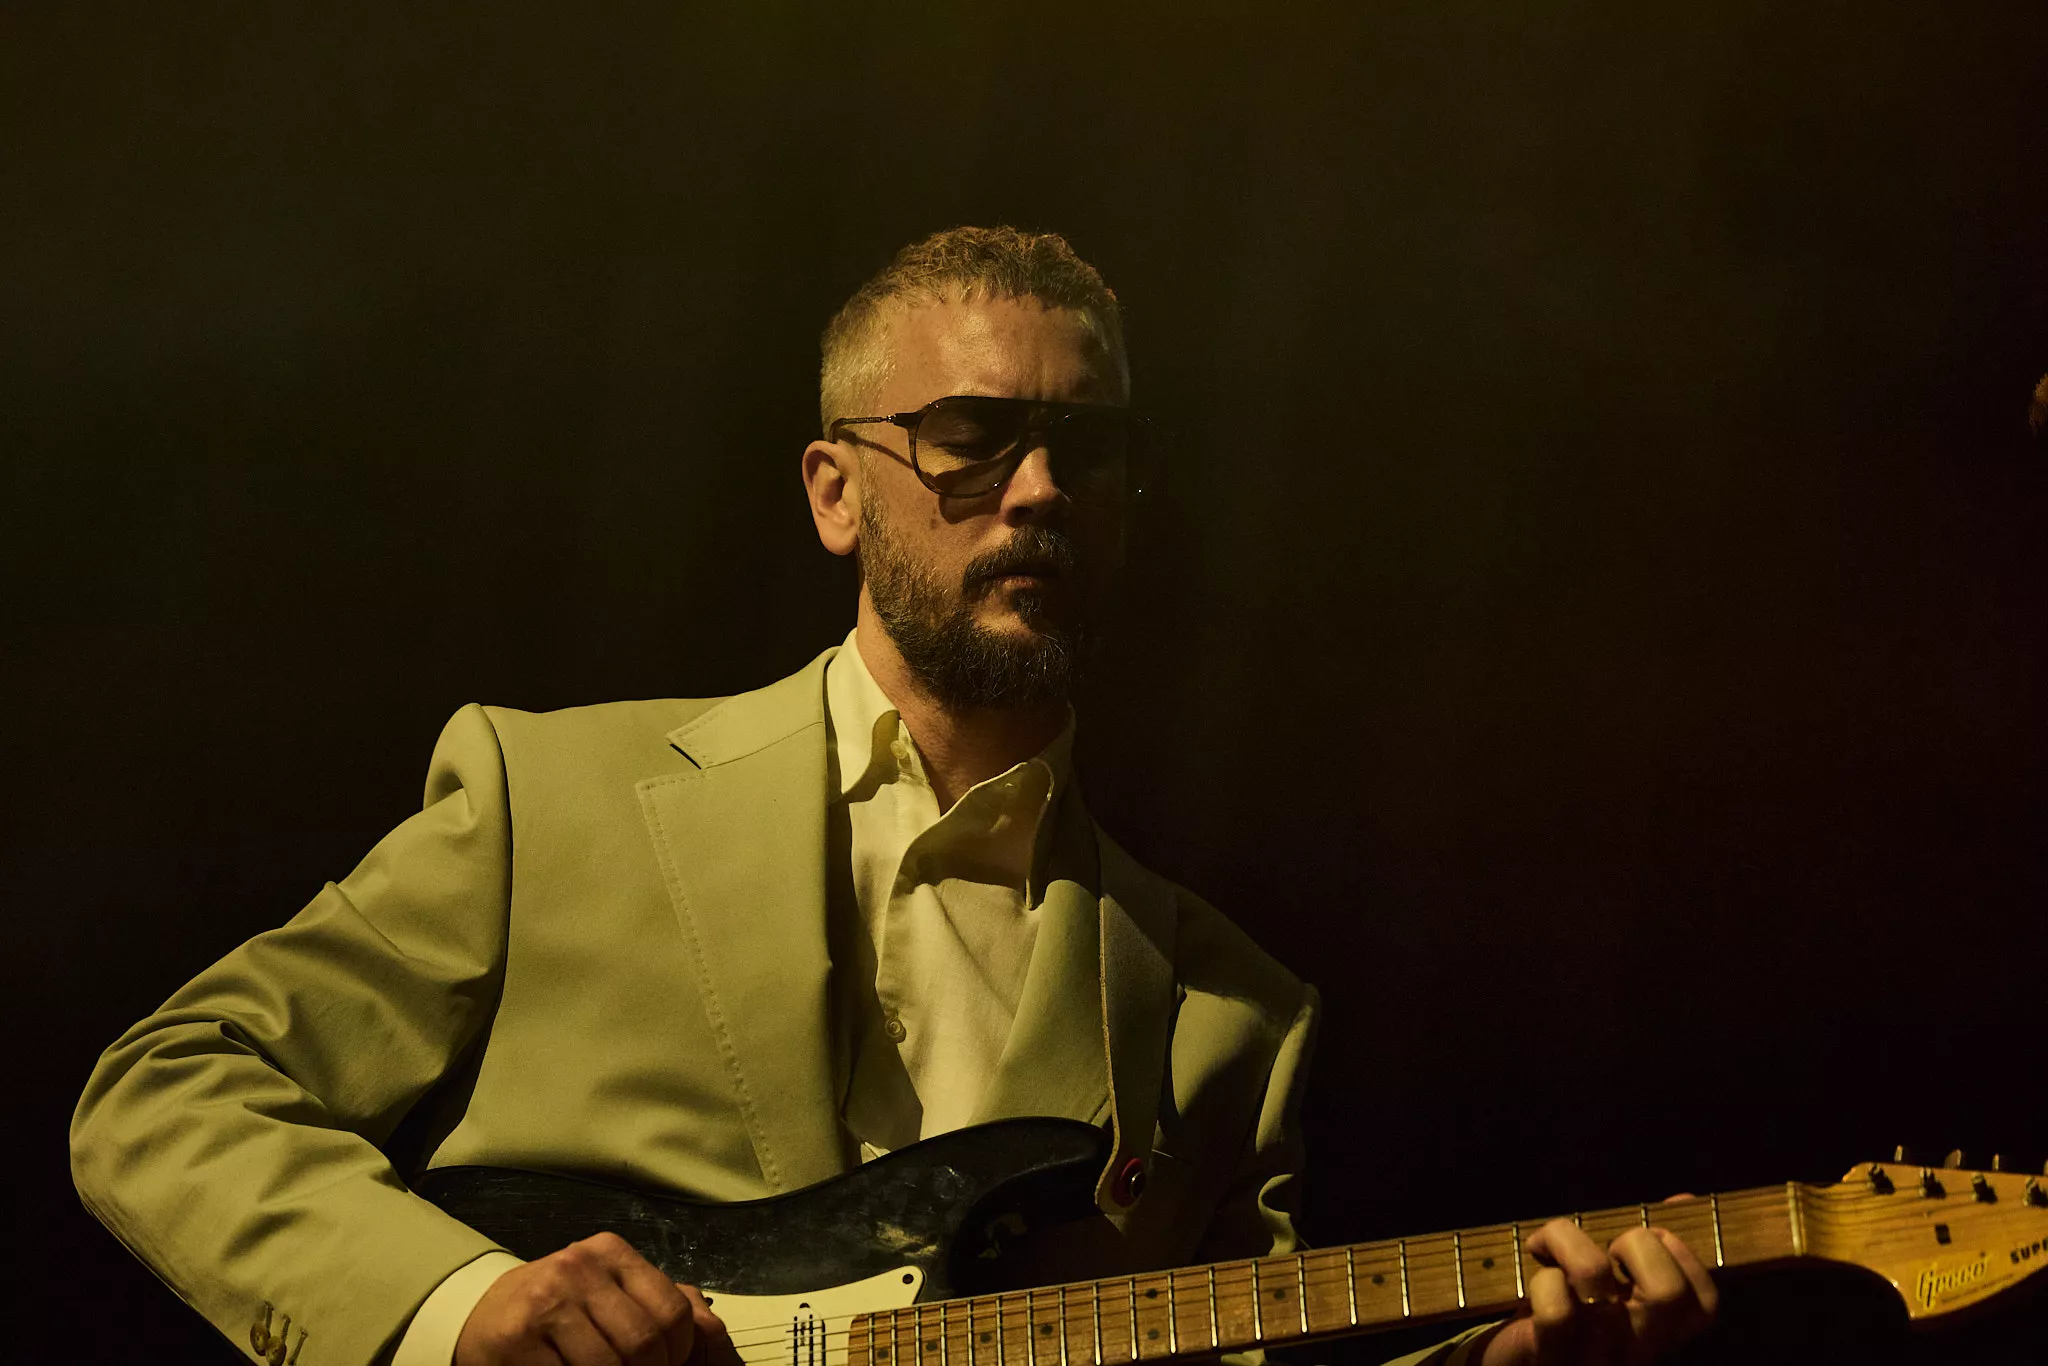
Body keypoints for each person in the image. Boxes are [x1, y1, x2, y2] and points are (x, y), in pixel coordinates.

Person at [70, 227, 1716, 1366]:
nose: (1041, 489)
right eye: (971, 435)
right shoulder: (548, 793)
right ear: (834, 491)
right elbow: (167, 1090)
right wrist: (457, 1308)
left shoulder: (1232, 1013)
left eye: (1088, 447)